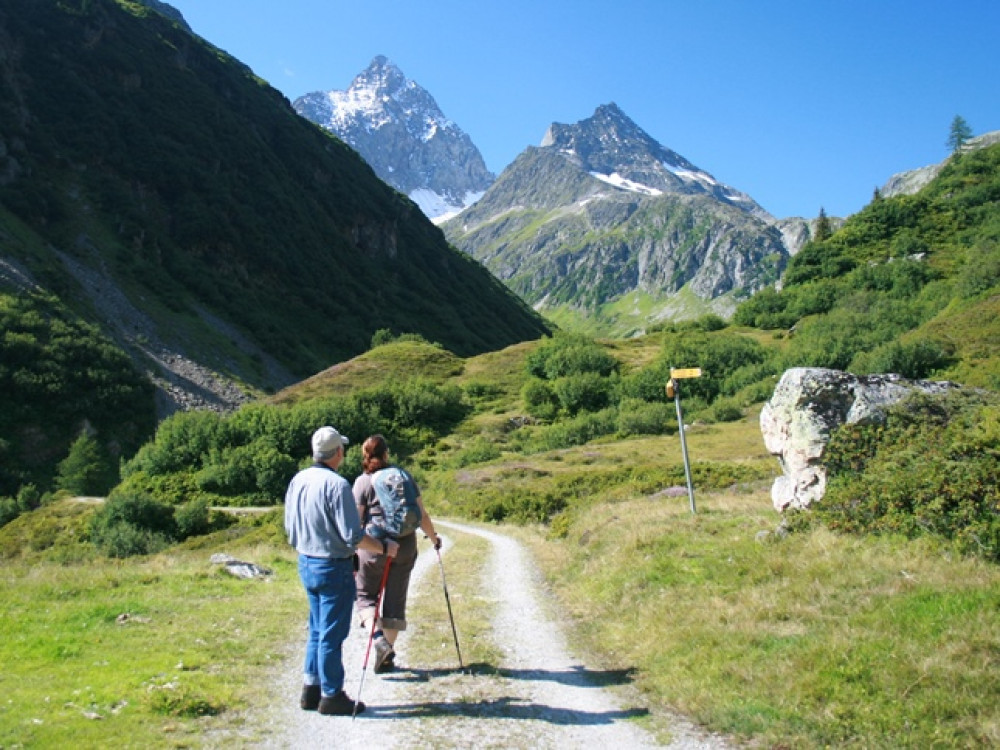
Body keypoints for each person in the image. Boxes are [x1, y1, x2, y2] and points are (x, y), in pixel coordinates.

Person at [284, 426, 399, 716]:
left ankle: (310, 689)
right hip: (333, 565)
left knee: (316, 628)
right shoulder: (337, 485)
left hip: (306, 560)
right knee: (332, 635)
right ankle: (332, 695)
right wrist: (385, 549)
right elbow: (353, 535)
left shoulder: (299, 479)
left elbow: (289, 526)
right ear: (337, 452)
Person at [353, 434, 442, 673]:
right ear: (386, 454)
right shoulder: (405, 478)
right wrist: (434, 539)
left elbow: (356, 522)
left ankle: (379, 641)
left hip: (374, 547)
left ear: (365, 455)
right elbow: (422, 515)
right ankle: (387, 654)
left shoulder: (363, 482)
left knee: (365, 597)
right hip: (405, 546)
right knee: (395, 602)